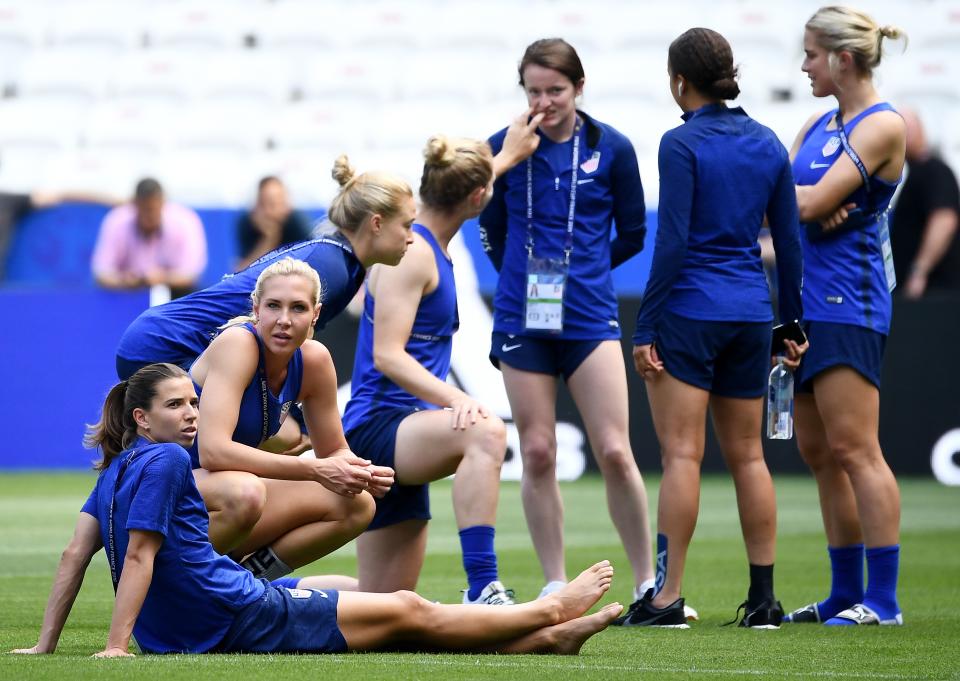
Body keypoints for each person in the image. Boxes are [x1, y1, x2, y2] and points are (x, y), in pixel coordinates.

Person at [11, 363, 623, 657]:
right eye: (177, 406)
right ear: (143, 418)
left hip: (194, 620)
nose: (192, 415)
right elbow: (139, 555)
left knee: (363, 599)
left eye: (194, 402)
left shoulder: (116, 467)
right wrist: (117, 646)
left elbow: (75, 555)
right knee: (407, 609)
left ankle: (543, 641)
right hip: (234, 613)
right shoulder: (168, 461)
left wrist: (45, 646)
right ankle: (545, 610)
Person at [625, 28, 805, 629]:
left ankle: (666, 598)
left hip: (691, 312)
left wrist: (644, 325)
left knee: (682, 454)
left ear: (680, 81)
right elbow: (788, 238)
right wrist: (792, 320)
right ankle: (764, 603)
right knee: (750, 455)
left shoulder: (680, 144)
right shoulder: (768, 142)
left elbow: (672, 242)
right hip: (752, 312)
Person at [114, 131, 541, 382]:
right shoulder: (332, 271)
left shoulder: (338, 262)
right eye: (406, 226)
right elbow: (247, 332)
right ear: (375, 223)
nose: (413, 238)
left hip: (162, 340)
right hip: (165, 348)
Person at [479, 38, 657, 605]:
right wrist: (516, 270)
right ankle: (555, 581)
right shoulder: (501, 148)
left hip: (589, 317)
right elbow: (488, 225)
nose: (544, 101)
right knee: (536, 450)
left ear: (579, 88)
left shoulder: (613, 147)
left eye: (556, 90)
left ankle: (648, 581)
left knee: (614, 450)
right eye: (534, 90)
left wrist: (586, 270)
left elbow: (633, 232)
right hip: (520, 318)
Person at [342, 135, 514, 604]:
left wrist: (510, 152)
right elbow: (387, 355)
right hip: (381, 427)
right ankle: (483, 586)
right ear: (478, 196)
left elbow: (474, 181)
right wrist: (456, 398)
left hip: (407, 430)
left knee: (383, 601)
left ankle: (255, 591)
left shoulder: (427, 244)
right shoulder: (415, 252)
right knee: (486, 431)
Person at [785, 6, 907, 626]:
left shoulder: (884, 125)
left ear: (843, 58)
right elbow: (782, 202)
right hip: (805, 305)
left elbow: (803, 203)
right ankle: (843, 591)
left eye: (810, 53)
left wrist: (809, 205)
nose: (803, 65)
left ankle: (882, 602)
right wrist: (804, 205)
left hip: (850, 304)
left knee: (857, 449)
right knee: (820, 453)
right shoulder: (817, 123)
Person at [187, 256, 394, 584]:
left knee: (357, 504)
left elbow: (334, 451)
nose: (284, 319)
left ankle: (249, 584)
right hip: (170, 491)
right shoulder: (237, 344)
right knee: (246, 492)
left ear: (316, 314)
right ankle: (177, 588)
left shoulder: (314, 359)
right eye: (273, 306)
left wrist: (360, 471)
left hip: (224, 493)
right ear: (256, 310)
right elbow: (213, 453)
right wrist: (316, 469)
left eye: (298, 308)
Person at [91, 178, 207, 294]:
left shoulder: (185, 221)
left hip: (175, 295)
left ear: (163, 204)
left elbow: (190, 275)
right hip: (126, 295)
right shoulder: (116, 221)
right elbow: (102, 274)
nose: (149, 216)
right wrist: (125, 280)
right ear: (134, 205)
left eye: (152, 210)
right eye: (144, 210)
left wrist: (162, 278)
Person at [891, 108, 960, 298]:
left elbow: (944, 220)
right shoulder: (913, 173)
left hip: (934, 292)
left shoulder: (935, 170)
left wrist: (919, 271)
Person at [235, 176, 313, 271]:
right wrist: (269, 239)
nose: (272, 211)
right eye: (268, 204)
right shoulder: (248, 223)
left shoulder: (297, 223)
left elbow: (310, 267)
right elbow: (241, 272)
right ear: (258, 205)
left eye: (280, 203)